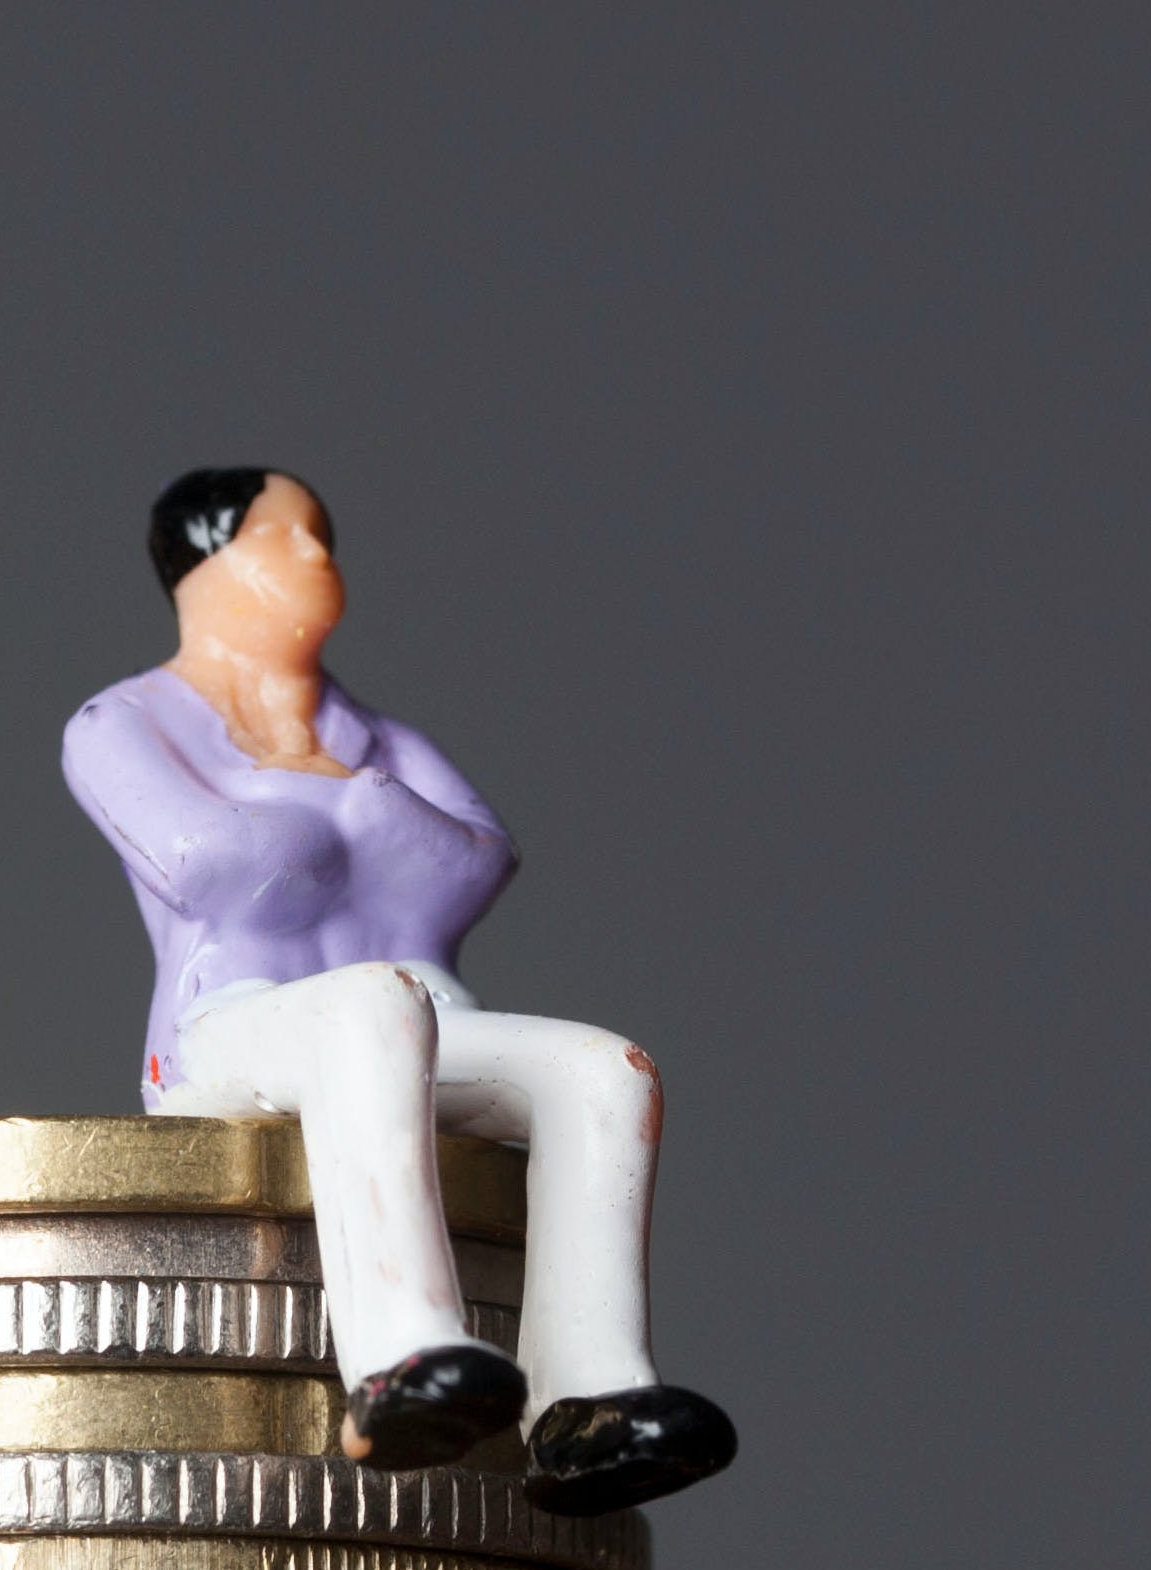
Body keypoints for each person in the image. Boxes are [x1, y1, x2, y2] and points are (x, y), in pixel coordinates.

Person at [62, 469, 736, 1513]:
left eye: (322, 535)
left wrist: (338, 807)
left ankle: (586, 1398)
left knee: (603, 1072)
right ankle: (399, 1358)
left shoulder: (376, 739)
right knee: (373, 1006)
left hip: (421, 1015)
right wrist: (361, 822)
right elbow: (204, 862)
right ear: (204, 568)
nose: (318, 557)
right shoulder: (123, 722)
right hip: (231, 1027)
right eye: (283, 538)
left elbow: (476, 868)